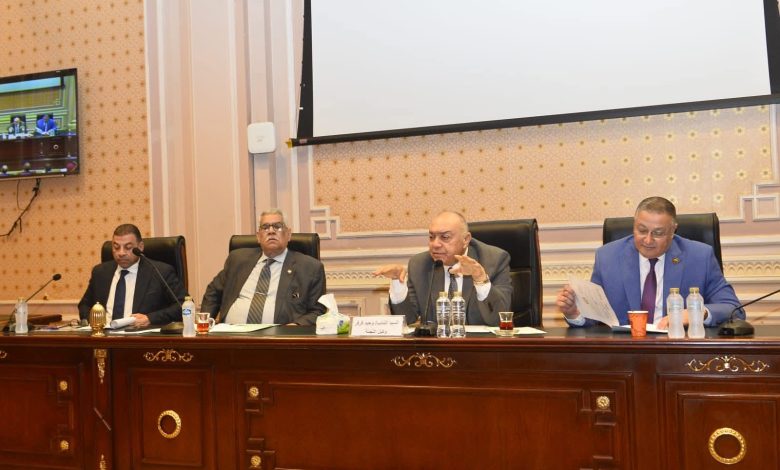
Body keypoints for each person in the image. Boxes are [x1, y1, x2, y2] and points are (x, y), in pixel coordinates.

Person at [557, 196, 743, 328]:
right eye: (641, 230)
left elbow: (733, 308)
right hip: (624, 353)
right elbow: (595, 316)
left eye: (658, 233)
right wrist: (574, 312)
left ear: (673, 230)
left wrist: (697, 313)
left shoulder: (700, 256)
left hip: (678, 351)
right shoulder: (608, 256)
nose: (647, 240)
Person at [373, 211, 512, 326]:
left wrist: (480, 279)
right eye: (431, 237)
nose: (435, 244)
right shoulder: (420, 264)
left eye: (445, 237)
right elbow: (408, 319)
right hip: (436, 348)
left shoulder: (493, 260)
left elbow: (499, 319)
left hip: (480, 347)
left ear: (466, 240)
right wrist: (397, 283)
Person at [200, 209, 326, 325]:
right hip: (230, 335)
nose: (271, 231)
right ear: (258, 236)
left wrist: (295, 326)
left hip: (278, 338)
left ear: (288, 234)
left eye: (277, 226)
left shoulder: (310, 268)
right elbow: (213, 292)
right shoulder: (237, 260)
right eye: (265, 227)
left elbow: (318, 311)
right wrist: (204, 323)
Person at [78, 224, 187, 326]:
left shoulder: (160, 271)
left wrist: (150, 319)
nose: (121, 253)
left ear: (140, 247)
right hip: (104, 335)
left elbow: (183, 305)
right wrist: (95, 323)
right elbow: (84, 305)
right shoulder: (100, 272)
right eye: (116, 247)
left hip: (140, 336)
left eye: (128, 247)